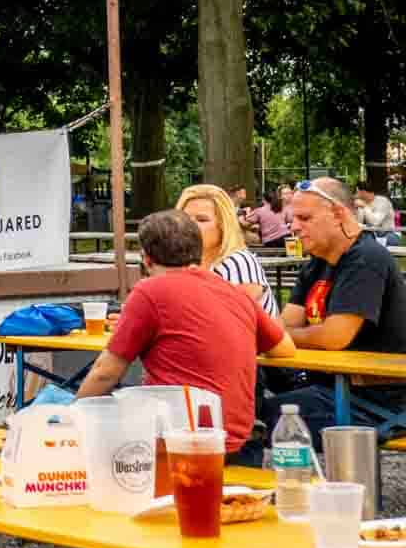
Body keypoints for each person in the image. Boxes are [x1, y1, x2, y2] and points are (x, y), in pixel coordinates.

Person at [75, 209, 294, 459]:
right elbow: (285, 348)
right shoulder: (233, 292)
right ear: (199, 252)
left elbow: (106, 372)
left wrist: (71, 420)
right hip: (241, 441)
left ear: (146, 259)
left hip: (182, 443)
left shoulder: (150, 291)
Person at [264, 177, 406, 440]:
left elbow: (334, 337)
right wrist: (278, 335)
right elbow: (283, 325)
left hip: (376, 400)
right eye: (293, 219)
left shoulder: (366, 258)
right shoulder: (318, 261)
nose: (293, 227)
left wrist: (280, 337)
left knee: (255, 418)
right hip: (330, 383)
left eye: (305, 218)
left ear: (339, 214)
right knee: (246, 383)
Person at [178, 184, 275, 314]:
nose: (190, 226)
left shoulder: (238, 262)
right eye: (185, 219)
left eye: (202, 220)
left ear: (223, 225)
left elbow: (231, 322)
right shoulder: (185, 264)